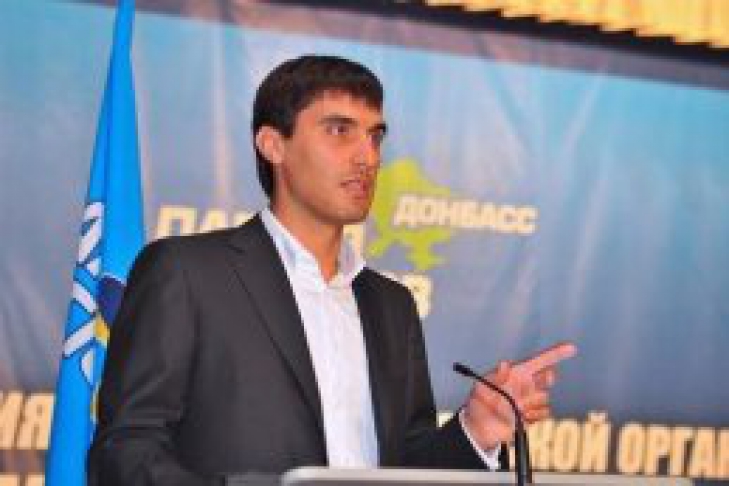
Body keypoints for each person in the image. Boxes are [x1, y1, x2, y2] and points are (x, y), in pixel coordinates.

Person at [87, 55, 575, 485]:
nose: (367, 156)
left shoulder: (392, 305)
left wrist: (475, 431)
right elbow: (125, 450)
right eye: (340, 131)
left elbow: (407, 468)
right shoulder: (187, 272)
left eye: (375, 135)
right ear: (272, 144)